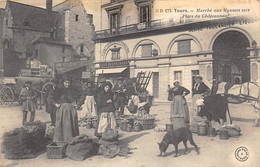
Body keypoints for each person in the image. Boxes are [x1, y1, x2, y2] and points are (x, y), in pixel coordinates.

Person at [53, 76, 80, 143]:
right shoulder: (58, 90)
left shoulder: (73, 90)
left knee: (72, 125)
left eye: (69, 83)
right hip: (62, 110)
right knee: (61, 125)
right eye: (66, 83)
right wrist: (56, 104)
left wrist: (77, 103)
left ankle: (71, 140)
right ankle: (61, 140)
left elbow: (81, 96)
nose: (67, 84)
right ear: (63, 82)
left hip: (71, 110)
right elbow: (51, 99)